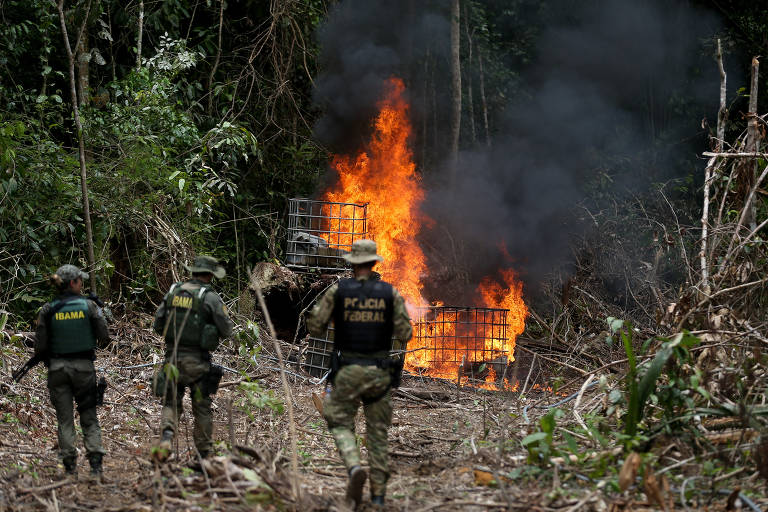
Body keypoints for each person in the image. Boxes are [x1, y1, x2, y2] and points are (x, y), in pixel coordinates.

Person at [307, 239, 412, 508]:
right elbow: (405, 333)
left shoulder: (338, 292)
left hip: (347, 371)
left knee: (339, 421)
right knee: (377, 434)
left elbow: (316, 327)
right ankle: (377, 497)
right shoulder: (390, 293)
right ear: (374, 263)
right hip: (378, 374)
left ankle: (354, 466)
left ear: (351, 264)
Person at [152, 255, 233, 461]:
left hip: (172, 361)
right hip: (197, 364)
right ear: (210, 275)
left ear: (193, 272)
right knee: (202, 407)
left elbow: (158, 325)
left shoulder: (173, 291)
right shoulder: (210, 297)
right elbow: (227, 329)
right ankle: (203, 455)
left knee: (171, 403)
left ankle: (166, 439)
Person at [34, 264, 110, 479]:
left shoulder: (48, 310)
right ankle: (96, 467)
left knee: (64, 419)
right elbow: (104, 336)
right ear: (74, 283)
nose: (82, 284)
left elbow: (39, 347)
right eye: (80, 280)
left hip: (57, 370)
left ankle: (69, 468)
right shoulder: (89, 306)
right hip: (84, 369)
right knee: (89, 416)